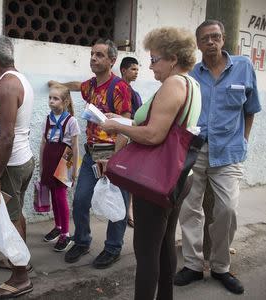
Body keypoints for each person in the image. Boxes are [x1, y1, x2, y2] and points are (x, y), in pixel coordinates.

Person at [101, 27, 201, 300]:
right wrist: (122, 120)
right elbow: (163, 128)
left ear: (172, 58)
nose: (150, 65)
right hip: (178, 174)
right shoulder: (192, 84)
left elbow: (154, 134)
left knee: (146, 252)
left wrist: (117, 129)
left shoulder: (173, 84)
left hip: (157, 178)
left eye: (155, 59)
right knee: (165, 242)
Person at [174, 20, 261, 295]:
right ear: (198, 44)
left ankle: (221, 266)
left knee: (227, 209)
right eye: (205, 38)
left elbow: (251, 109)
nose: (211, 42)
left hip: (229, 152)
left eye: (216, 37)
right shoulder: (190, 73)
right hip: (194, 150)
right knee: (189, 208)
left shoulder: (244, 67)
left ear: (223, 39)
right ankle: (193, 265)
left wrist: (244, 140)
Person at [50, 39, 133, 269]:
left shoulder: (119, 88)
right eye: (92, 54)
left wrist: (115, 158)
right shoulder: (92, 85)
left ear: (112, 61)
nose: (94, 58)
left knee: (117, 203)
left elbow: (125, 124)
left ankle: (113, 247)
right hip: (91, 154)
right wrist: (59, 84)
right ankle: (82, 240)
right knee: (80, 200)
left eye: (99, 55)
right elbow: (78, 85)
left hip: (114, 154)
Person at [0, 35, 35, 299]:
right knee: (15, 214)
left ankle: (20, 277)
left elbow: (6, 136)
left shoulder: (7, 86)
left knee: (8, 221)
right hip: (18, 162)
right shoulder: (19, 79)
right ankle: (20, 260)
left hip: (8, 168)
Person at [40, 84, 80, 252]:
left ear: (65, 101)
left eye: (55, 98)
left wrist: (74, 170)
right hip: (50, 156)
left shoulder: (71, 121)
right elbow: (43, 143)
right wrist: (41, 165)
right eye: (50, 98)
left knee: (60, 195)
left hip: (66, 157)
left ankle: (66, 233)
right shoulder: (47, 119)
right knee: (53, 194)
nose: (51, 101)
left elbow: (76, 147)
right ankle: (57, 226)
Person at [119, 56, 143, 228]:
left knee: (130, 179)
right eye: (133, 69)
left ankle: (130, 210)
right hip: (117, 140)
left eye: (137, 70)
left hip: (131, 139)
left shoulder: (135, 94)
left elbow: (139, 118)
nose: (136, 73)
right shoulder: (117, 90)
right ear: (123, 70)